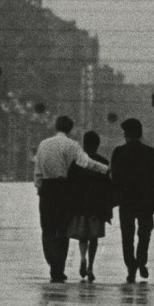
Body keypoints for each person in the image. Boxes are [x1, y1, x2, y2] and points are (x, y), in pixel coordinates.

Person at [34, 115, 109, 282]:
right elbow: (87, 163)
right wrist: (106, 169)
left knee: (47, 229)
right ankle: (58, 268)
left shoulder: (43, 144)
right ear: (70, 129)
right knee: (62, 229)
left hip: (46, 189)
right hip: (63, 190)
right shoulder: (72, 145)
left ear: (56, 126)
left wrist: (40, 186)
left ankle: (52, 262)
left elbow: (38, 169)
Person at [110, 118, 154, 283]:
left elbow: (115, 179)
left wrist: (113, 200)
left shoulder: (118, 152)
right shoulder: (152, 153)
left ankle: (131, 266)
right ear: (140, 134)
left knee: (127, 235)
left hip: (126, 201)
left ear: (126, 135)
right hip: (145, 202)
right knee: (144, 233)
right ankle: (141, 261)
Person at [66, 130, 113, 282]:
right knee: (94, 237)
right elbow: (107, 186)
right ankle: (91, 266)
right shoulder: (103, 162)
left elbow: (70, 184)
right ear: (97, 145)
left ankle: (82, 258)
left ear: (84, 144)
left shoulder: (76, 162)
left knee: (83, 236)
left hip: (80, 205)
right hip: (96, 206)